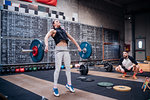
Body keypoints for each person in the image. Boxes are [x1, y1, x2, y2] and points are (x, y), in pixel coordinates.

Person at [44, 20, 81, 97]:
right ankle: (55, 87)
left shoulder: (63, 30)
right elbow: (46, 37)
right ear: (54, 24)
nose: (58, 21)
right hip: (59, 50)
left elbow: (72, 38)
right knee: (58, 69)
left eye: (58, 21)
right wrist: (46, 45)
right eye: (57, 21)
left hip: (66, 50)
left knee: (68, 68)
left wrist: (78, 46)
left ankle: (69, 84)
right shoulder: (53, 30)